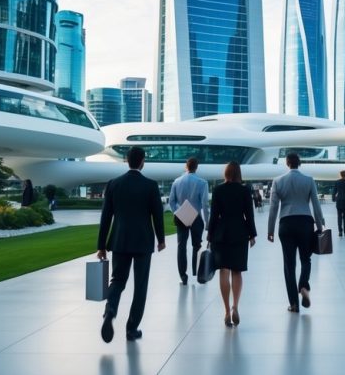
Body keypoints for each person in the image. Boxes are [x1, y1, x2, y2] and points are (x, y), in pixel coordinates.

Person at [96, 146, 166, 343]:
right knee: (140, 286)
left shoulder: (113, 184)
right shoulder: (151, 185)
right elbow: (157, 215)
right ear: (142, 161)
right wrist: (161, 239)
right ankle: (132, 328)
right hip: (143, 241)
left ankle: (110, 309)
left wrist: (101, 245)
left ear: (127, 160)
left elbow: (105, 217)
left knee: (117, 280)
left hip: (119, 240)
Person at [267, 152, 325, 313]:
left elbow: (273, 208)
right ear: (299, 163)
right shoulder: (308, 180)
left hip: (286, 223)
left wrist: (270, 230)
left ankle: (293, 304)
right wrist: (319, 225)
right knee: (306, 259)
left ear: (287, 163)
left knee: (289, 264)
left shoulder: (278, 181)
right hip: (305, 223)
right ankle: (303, 285)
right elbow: (316, 204)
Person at [208, 161, 257, 327]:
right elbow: (249, 214)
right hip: (240, 233)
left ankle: (226, 310)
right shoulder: (244, 191)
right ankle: (236, 305)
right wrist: (252, 235)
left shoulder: (218, 190)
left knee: (224, 270)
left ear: (226, 173)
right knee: (237, 271)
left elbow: (214, 216)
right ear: (239, 173)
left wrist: (209, 236)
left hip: (221, 234)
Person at [168, 157, 209, 285]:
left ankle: (183, 276)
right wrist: (207, 222)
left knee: (181, 246)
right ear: (196, 167)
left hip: (181, 217)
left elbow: (171, 202)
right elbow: (205, 204)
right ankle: (198, 274)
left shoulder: (177, 181)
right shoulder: (202, 183)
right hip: (196, 217)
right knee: (196, 246)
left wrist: (180, 212)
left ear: (186, 166)